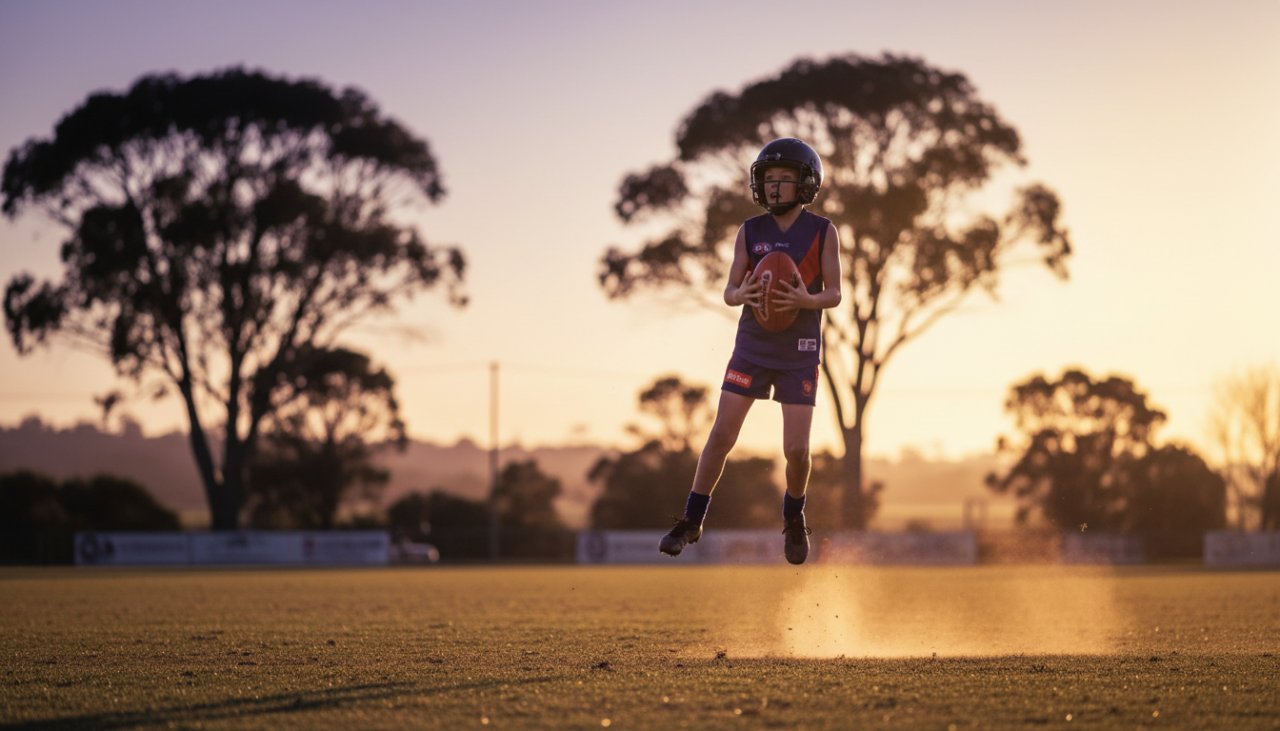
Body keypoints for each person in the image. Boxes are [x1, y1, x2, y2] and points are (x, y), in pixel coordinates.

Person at [659, 137, 842, 565]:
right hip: (753, 346)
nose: (775, 187)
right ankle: (691, 519)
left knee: (796, 451)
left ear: (806, 183)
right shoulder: (750, 231)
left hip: (798, 348)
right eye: (768, 179)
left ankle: (794, 518)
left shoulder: (822, 231)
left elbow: (833, 293)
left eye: (784, 179)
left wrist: (805, 301)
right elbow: (729, 290)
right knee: (722, 435)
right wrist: (741, 292)